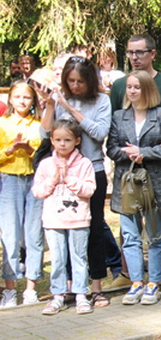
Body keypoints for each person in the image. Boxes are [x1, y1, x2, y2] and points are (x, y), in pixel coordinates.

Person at [38, 57, 114, 306]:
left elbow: (100, 132)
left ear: (90, 80)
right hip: (60, 173)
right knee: (65, 228)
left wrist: (70, 109)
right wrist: (51, 105)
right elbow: (45, 134)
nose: (75, 86)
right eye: (71, 81)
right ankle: (71, 286)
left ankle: (97, 286)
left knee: (93, 229)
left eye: (80, 81)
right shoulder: (61, 98)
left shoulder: (102, 100)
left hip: (91, 169)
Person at [108, 71, 161, 306]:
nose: (132, 91)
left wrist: (144, 153)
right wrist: (128, 153)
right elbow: (111, 148)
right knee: (130, 235)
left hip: (156, 183)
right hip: (127, 183)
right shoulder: (119, 116)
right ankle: (136, 281)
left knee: (156, 235)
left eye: (137, 87)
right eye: (129, 87)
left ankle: (154, 282)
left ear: (147, 89)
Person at [32, 120, 96, 314]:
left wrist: (68, 178)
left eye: (67, 140)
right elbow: (37, 191)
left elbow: (89, 189)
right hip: (53, 220)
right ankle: (58, 295)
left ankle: (81, 295)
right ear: (51, 140)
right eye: (58, 140)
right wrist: (53, 179)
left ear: (76, 141)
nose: (62, 144)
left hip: (78, 219)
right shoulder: (45, 164)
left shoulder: (84, 163)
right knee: (58, 259)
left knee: (79, 257)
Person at [0, 81, 45, 308]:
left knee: (33, 234)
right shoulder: (3, 123)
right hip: (8, 181)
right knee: (10, 234)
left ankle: (30, 288)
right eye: (17, 97)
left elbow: (45, 154)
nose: (22, 101)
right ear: (10, 99)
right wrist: (9, 151)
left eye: (26, 98)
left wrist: (29, 150)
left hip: (34, 181)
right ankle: (9, 290)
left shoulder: (38, 124)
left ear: (33, 101)